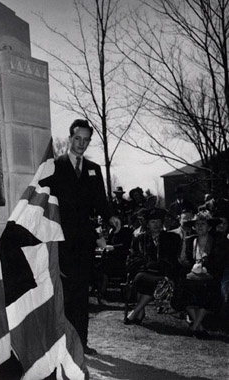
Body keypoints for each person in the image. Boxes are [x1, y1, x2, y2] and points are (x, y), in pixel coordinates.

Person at [51, 119, 114, 355]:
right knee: (66, 294)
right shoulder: (55, 166)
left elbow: (100, 201)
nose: (81, 144)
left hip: (85, 242)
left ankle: (81, 343)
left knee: (81, 293)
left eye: (86, 140)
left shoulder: (93, 169)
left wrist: (111, 217)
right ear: (69, 138)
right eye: (78, 138)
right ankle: (64, 344)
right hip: (62, 241)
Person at [124, 208, 182, 325]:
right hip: (145, 270)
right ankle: (140, 312)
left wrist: (159, 264)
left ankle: (136, 312)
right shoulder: (140, 239)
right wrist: (146, 264)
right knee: (141, 277)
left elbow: (172, 258)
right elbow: (133, 258)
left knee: (149, 280)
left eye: (159, 221)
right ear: (147, 224)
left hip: (164, 272)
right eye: (153, 222)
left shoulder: (172, 238)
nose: (156, 225)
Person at [175, 211, 226, 338]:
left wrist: (206, 269)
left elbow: (220, 260)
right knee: (182, 288)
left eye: (203, 224)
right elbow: (184, 259)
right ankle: (199, 327)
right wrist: (192, 268)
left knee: (210, 289)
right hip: (192, 274)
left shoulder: (218, 241)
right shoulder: (189, 240)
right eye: (197, 224)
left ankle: (194, 327)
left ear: (209, 227)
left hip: (210, 275)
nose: (199, 227)